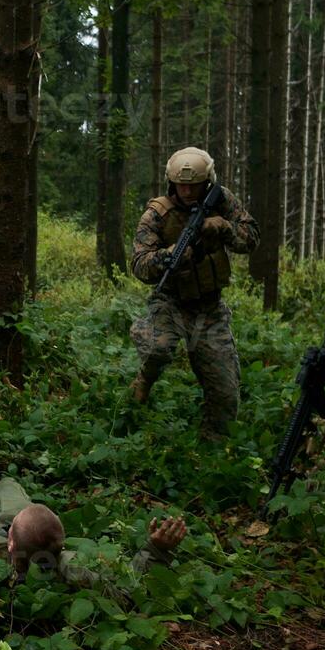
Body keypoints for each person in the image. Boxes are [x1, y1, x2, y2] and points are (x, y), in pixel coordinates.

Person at [0, 440, 188, 626]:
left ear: (11, 540)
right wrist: (156, 550)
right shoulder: (69, 568)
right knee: (9, 487)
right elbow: (125, 595)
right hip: (8, 520)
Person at [128, 146, 259, 440]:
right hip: (170, 302)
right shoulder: (156, 215)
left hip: (209, 309)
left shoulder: (222, 200)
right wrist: (169, 256)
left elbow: (251, 239)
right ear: (171, 182)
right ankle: (143, 381)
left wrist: (225, 228)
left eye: (194, 185)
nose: (187, 191)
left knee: (225, 392)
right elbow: (139, 265)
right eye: (181, 184)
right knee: (158, 348)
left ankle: (213, 451)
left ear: (207, 181)